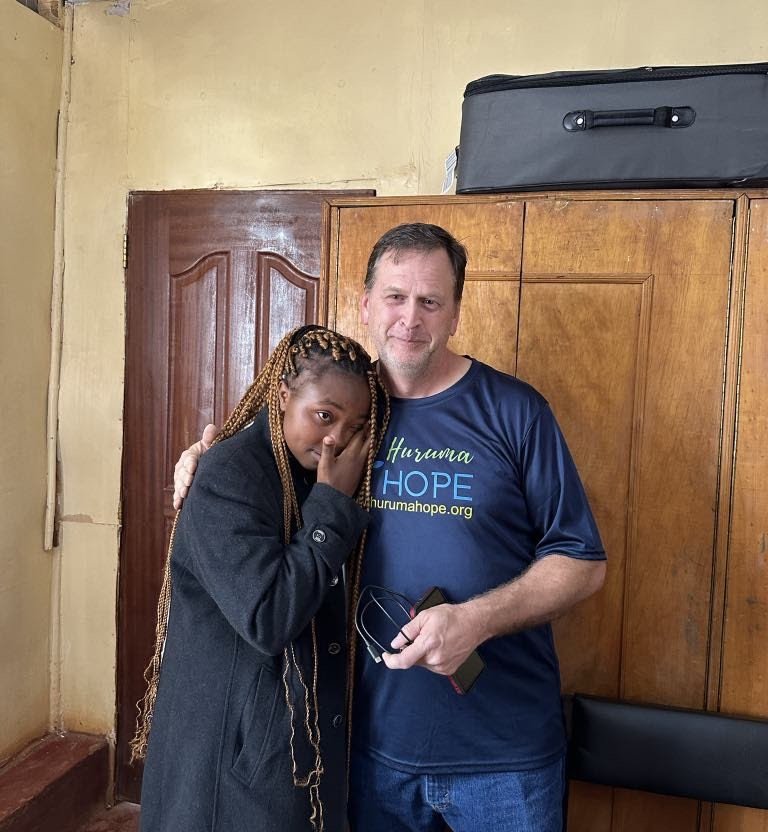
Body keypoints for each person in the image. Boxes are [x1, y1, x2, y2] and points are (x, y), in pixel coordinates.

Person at [173, 224, 607, 832]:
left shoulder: (515, 412)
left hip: (502, 756)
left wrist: (473, 621)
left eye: (430, 301)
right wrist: (205, 454)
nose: (410, 318)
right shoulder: (341, 408)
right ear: (366, 304)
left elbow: (583, 562)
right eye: (395, 297)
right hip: (362, 750)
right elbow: (260, 461)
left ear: (455, 312)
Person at [134, 325, 389, 832]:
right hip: (228, 772)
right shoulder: (231, 475)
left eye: (355, 426)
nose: (336, 439)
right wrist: (333, 508)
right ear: (282, 394)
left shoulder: (303, 466)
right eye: (323, 416)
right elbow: (269, 616)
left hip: (278, 758)